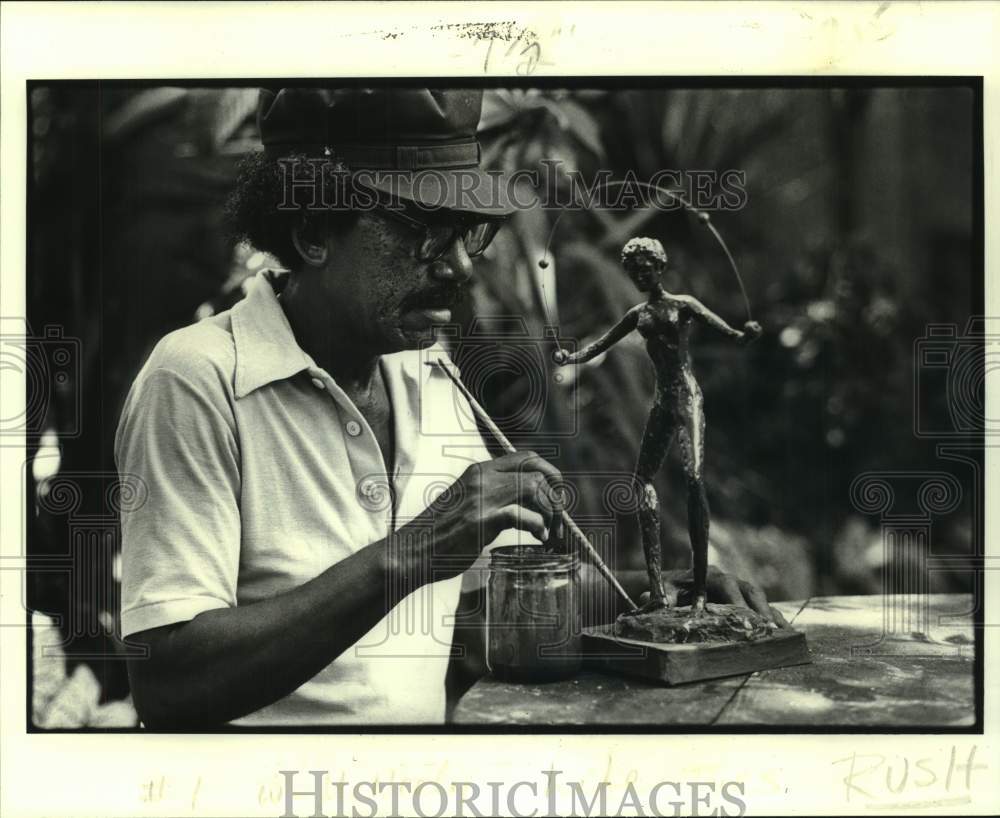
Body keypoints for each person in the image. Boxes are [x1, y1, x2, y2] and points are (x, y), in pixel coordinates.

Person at [116, 88, 780, 728]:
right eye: (427, 232)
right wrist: (418, 549)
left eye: (470, 233)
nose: (462, 268)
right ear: (315, 229)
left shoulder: (427, 372)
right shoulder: (200, 378)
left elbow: (478, 612)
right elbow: (168, 682)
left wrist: (650, 598)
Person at [554, 237, 785, 624]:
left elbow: (728, 332)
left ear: (660, 268)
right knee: (641, 480)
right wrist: (570, 356)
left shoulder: (685, 306)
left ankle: (698, 588)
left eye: (647, 269)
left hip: (687, 398)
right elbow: (600, 344)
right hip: (662, 402)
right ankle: (659, 590)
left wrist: (747, 334)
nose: (641, 276)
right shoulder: (637, 314)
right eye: (635, 271)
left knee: (694, 480)